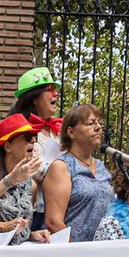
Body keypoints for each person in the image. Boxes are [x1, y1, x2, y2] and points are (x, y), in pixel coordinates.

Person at [0, 115, 49, 246]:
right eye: (27, 137)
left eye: (34, 137)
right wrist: (4, 226)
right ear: (7, 146)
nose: (33, 140)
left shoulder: (31, 184)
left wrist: (32, 235)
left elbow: (22, 227)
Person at [42, 104, 112, 242]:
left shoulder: (101, 166)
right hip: (74, 253)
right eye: (91, 123)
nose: (98, 127)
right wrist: (78, 251)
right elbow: (53, 222)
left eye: (99, 123)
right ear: (71, 132)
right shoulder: (62, 167)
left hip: (104, 251)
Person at [9, 67, 64, 170]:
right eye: (49, 89)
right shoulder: (20, 132)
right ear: (33, 98)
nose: (56, 93)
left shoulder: (58, 128)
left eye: (55, 89)